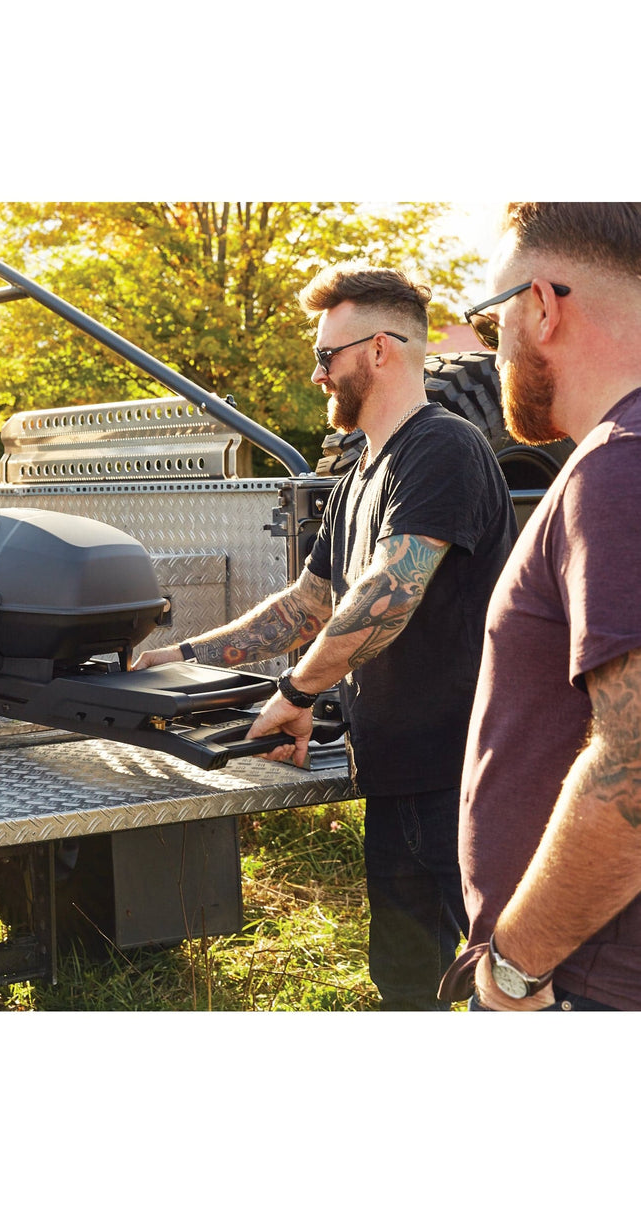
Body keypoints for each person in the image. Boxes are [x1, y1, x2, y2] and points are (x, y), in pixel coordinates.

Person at [134, 264, 516, 1010]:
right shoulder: (359, 475)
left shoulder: (442, 448)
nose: (316, 374)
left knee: (498, 988)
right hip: (397, 775)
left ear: (380, 350)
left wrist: (296, 691)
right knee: (407, 986)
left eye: (326, 356)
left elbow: (388, 592)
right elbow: (309, 603)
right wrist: (182, 657)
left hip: (464, 779)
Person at [437, 203, 641, 1012]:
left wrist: (516, 968)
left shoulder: (620, 467)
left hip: (581, 988)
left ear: (544, 305)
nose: (495, 350)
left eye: (492, 323)